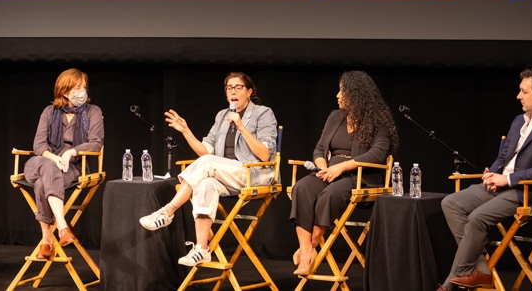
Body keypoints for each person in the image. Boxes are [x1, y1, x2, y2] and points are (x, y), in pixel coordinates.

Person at [436, 68, 532, 291]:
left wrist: (507, 179)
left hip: (530, 191)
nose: (518, 96)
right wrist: (493, 172)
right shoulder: (519, 120)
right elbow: (504, 156)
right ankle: (480, 270)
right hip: (502, 184)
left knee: (477, 218)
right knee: (451, 203)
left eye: (523, 91)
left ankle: (448, 286)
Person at [140, 72, 278, 267]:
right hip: (226, 175)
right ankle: (202, 249)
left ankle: (168, 211)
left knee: (207, 163)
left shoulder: (263, 113)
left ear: (249, 91)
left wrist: (241, 127)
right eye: (229, 88)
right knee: (204, 184)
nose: (233, 91)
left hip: (253, 173)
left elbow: (265, 155)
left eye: (238, 87)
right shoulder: (222, 116)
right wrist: (185, 131)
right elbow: (205, 151)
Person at [289, 70, 397, 276]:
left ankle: (311, 244)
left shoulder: (378, 121)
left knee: (330, 193)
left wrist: (342, 167)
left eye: (342, 91)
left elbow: (377, 153)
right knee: (301, 187)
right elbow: (320, 148)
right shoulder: (335, 116)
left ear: (356, 94)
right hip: (330, 171)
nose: (337, 96)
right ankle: (306, 250)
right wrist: (323, 167)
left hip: (359, 176)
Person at [24, 68, 104, 260]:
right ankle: (62, 226)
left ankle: (46, 240)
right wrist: (54, 158)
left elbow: (96, 143)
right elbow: (39, 144)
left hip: (71, 168)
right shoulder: (49, 112)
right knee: (46, 168)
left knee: (43, 184)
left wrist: (70, 152)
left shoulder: (93, 112)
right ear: (65, 91)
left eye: (84, 87)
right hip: (41, 163)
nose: (82, 92)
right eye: (77, 88)